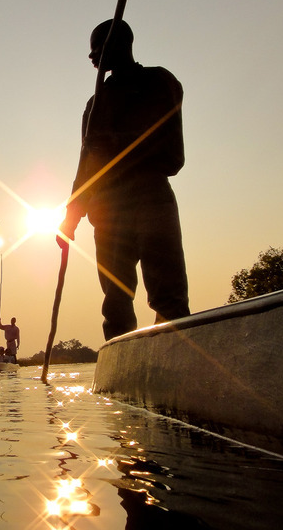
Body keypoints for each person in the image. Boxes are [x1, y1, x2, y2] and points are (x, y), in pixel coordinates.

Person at [57, 19, 190, 341]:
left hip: (150, 196)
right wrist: (70, 217)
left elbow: (170, 150)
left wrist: (111, 141)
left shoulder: (158, 82)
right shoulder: (95, 103)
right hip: (107, 209)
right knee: (116, 299)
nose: (92, 58)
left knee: (167, 293)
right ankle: (121, 352)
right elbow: (85, 168)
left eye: (97, 50)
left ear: (119, 46)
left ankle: (176, 351)